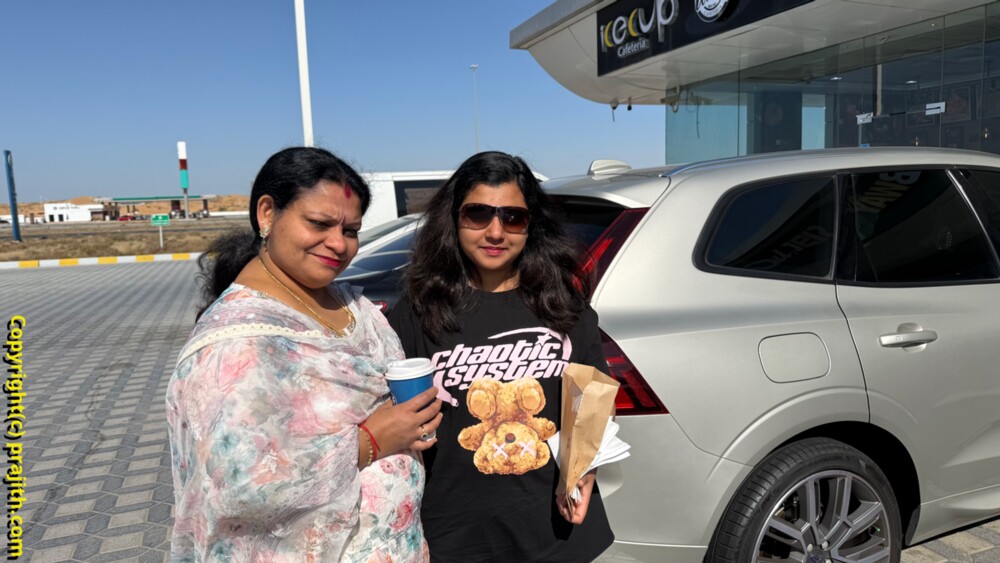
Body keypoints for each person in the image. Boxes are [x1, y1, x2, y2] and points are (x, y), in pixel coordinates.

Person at [166, 147, 442, 562]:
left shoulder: (352, 304)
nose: (338, 243)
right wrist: (369, 442)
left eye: (351, 230)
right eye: (319, 223)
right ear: (267, 213)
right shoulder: (234, 343)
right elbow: (238, 487)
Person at [388, 151, 615, 562]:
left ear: (531, 225)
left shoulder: (563, 304)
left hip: (553, 532)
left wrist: (583, 468)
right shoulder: (419, 309)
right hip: (455, 536)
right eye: (478, 214)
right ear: (454, 219)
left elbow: (594, 393)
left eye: (513, 217)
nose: (495, 232)